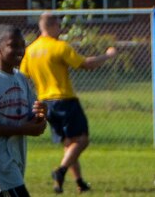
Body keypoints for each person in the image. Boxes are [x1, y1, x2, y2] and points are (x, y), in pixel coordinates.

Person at [20, 12, 118, 194]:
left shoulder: (30, 51)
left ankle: (77, 182)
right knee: (82, 140)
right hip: (64, 100)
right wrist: (107, 56)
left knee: (69, 144)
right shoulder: (59, 47)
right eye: (58, 25)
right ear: (49, 26)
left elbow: (23, 76)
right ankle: (61, 171)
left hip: (45, 103)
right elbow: (85, 64)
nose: (61, 29)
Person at [0, 24, 47, 197]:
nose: (20, 50)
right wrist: (21, 129)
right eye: (13, 45)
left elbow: (31, 116)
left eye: (22, 45)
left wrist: (40, 115)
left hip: (16, 156)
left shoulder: (20, 78)